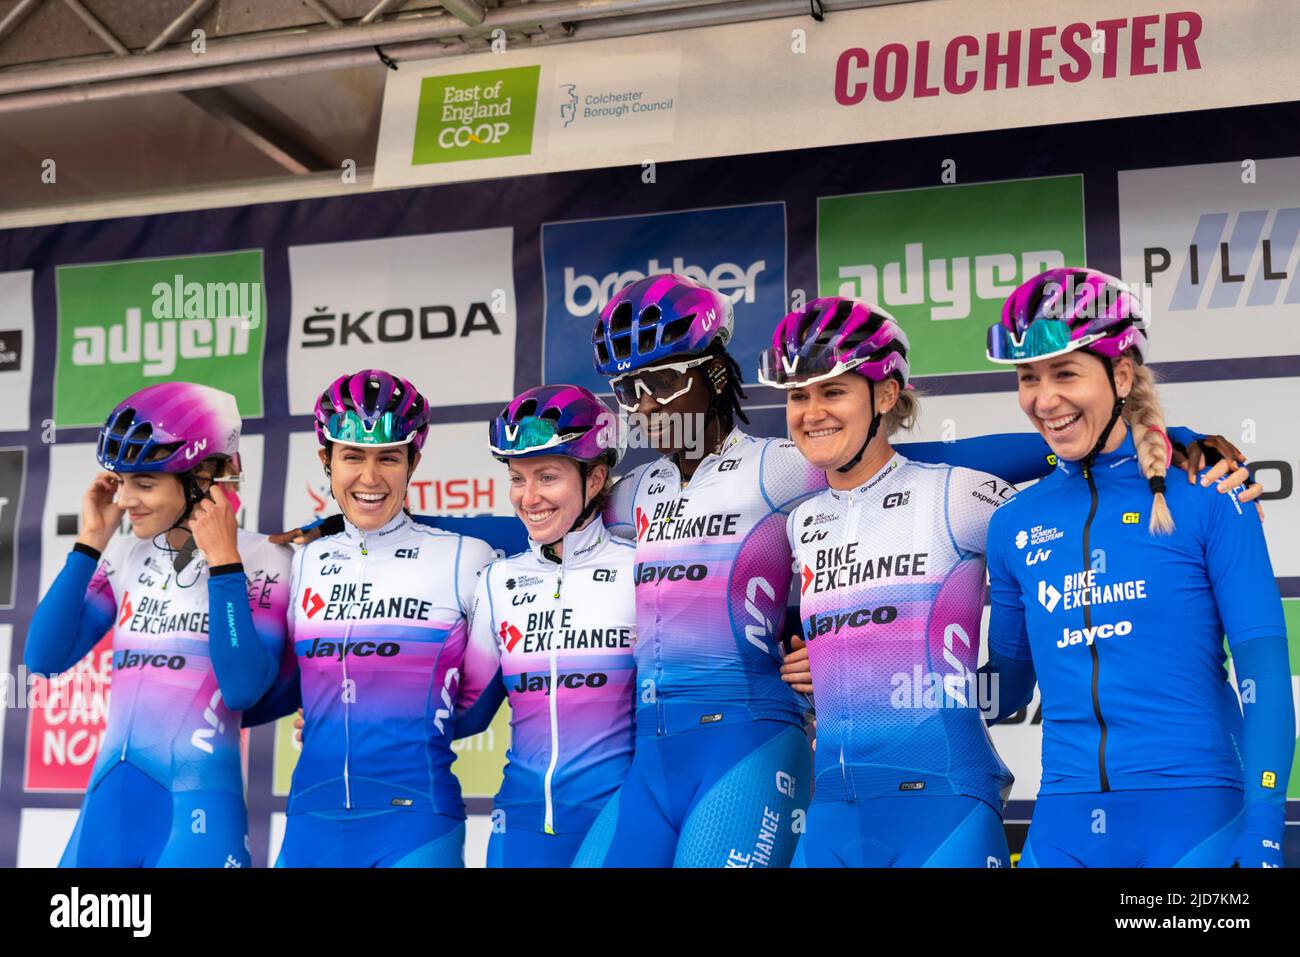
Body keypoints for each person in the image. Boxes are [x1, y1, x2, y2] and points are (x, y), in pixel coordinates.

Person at [573, 273, 1260, 869]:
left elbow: (948, 460)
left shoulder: (793, 467)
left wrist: (1172, 437)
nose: (645, 404)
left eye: (663, 381)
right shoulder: (645, 495)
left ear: (716, 375)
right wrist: (813, 653)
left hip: (924, 789)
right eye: (627, 389)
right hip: (814, 792)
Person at [982, 267, 1294, 867]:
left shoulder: (1209, 492)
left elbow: (1265, 677)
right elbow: (1008, 690)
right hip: (1063, 819)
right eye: (1028, 378)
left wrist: (1264, 824)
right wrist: (878, 676)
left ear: (1122, 374)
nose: (1044, 400)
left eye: (1066, 373)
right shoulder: (1013, 524)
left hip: (1197, 816)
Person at [760, 296, 1016, 867]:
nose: (811, 411)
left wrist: (1172, 444)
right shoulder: (803, 519)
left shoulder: (954, 493)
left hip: (943, 801)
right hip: (832, 810)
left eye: (832, 391)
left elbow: (1065, 525)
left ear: (885, 394)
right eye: (798, 396)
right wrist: (822, 655)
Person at [26, 383, 290, 867]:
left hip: (199, 811)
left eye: (144, 483)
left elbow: (241, 690)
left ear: (205, 479)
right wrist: (89, 544)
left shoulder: (265, 558)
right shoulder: (127, 556)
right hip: (107, 808)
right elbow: (42, 659)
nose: (125, 500)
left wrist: (225, 565)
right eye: (121, 480)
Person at [272, 370, 496, 867]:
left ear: (413, 461)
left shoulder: (467, 558)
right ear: (326, 460)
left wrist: (393, 721)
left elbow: (476, 708)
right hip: (312, 820)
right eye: (352, 456)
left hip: (414, 823)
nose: (370, 478)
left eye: (389, 457)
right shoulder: (305, 560)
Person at [454, 384, 637, 867]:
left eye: (548, 477)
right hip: (520, 824)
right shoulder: (498, 580)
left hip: (620, 822)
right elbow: (466, 710)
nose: (528, 497)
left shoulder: (640, 571)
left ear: (595, 479)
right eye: (517, 478)